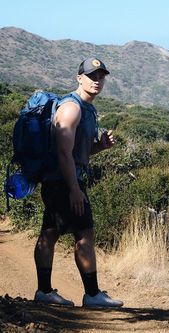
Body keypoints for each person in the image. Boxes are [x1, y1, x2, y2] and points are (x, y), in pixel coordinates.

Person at [33, 57, 123, 308]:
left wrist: (100, 147)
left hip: (61, 179)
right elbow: (63, 152)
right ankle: (92, 295)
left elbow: (75, 152)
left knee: (49, 233)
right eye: (92, 76)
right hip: (63, 181)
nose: (97, 81)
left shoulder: (88, 109)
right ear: (79, 78)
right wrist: (74, 189)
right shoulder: (71, 108)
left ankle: (44, 291)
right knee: (84, 233)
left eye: (101, 76)